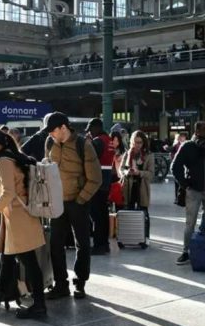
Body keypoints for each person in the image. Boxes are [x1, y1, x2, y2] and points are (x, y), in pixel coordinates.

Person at [0, 128, 47, 318]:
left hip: (17, 218)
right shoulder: (11, 157)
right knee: (7, 259)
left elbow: (8, 192)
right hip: (16, 217)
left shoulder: (4, 162)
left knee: (29, 262)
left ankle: (39, 305)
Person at [30, 112, 101, 299]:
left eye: (53, 131)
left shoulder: (83, 145)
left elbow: (95, 179)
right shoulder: (49, 143)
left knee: (82, 244)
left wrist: (80, 200)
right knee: (55, 244)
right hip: (56, 203)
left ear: (63, 127)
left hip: (78, 202)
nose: (50, 135)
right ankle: (61, 284)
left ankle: (80, 282)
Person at [170, 121, 205, 266]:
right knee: (190, 223)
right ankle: (186, 251)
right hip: (194, 190)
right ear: (197, 131)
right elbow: (175, 167)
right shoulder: (188, 146)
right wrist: (185, 183)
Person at [87, 118, 115, 255]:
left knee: (97, 215)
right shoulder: (109, 140)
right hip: (106, 182)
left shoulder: (97, 141)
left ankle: (99, 245)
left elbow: (89, 159)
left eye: (90, 130)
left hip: (97, 182)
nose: (90, 133)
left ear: (96, 128)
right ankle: (105, 244)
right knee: (103, 215)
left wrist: (88, 143)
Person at [120, 130, 154, 239]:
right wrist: (126, 172)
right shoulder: (127, 153)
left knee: (144, 213)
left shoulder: (149, 156)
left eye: (139, 142)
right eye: (134, 142)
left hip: (142, 187)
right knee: (128, 211)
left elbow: (151, 174)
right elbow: (121, 169)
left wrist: (139, 173)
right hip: (129, 187)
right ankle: (130, 236)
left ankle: (146, 237)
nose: (137, 145)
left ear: (143, 142)